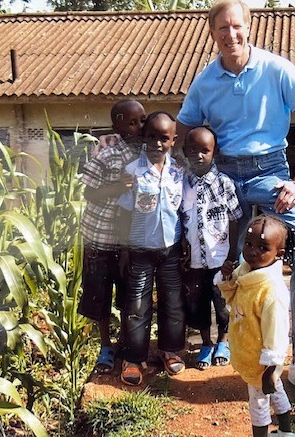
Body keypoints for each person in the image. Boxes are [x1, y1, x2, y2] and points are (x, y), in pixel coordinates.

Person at [176, 0, 295, 404]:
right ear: (212, 35)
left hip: (272, 173)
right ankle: (250, 356)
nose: (231, 34)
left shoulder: (277, 69)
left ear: (249, 27)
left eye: (236, 25)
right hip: (225, 174)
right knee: (231, 263)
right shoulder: (205, 81)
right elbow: (181, 130)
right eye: (222, 28)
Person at [116, 111, 186, 386]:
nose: (157, 143)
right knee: (136, 305)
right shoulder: (132, 172)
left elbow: (183, 213)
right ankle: (133, 358)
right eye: (152, 137)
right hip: (139, 250)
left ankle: (170, 350)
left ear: (173, 141)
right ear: (144, 138)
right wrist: (123, 249)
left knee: (173, 303)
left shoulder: (179, 172)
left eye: (164, 138)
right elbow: (123, 213)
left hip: (170, 249)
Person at [78, 99, 146, 374]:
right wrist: (115, 187)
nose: (139, 127)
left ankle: (127, 345)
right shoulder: (105, 156)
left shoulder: (146, 154)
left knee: (130, 295)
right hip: (100, 239)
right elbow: (87, 193)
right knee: (100, 295)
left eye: (142, 120)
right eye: (132, 122)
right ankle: (105, 347)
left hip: (130, 239)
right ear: (116, 123)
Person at [216, 215, 295, 437]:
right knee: (276, 389)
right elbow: (235, 299)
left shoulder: (272, 292)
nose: (252, 251)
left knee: (258, 403)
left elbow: (278, 334)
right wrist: (227, 277)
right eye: (248, 244)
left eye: (262, 247)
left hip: (261, 361)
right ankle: (286, 431)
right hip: (250, 352)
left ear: (278, 253)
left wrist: (271, 368)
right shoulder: (246, 270)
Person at [180, 126, 243, 370]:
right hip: (194, 259)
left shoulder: (224, 183)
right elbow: (180, 218)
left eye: (204, 151)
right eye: (192, 150)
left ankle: (223, 341)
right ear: (185, 152)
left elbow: (235, 218)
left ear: (214, 152)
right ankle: (205, 343)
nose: (198, 155)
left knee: (222, 303)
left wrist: (231, 256)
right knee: (198, 302)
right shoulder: (183, 183)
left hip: (219, 258)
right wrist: (184, 245)